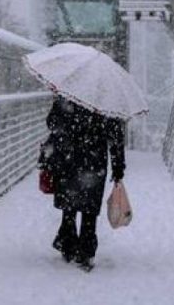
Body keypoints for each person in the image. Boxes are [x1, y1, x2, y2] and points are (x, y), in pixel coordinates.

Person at [39, 96, 126, 271]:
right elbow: (116, 136)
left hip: (69, 157)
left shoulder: (70, 94)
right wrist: (118, 167)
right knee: (89, 209)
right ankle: (86, 251)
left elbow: (52, 122)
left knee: (69, 205)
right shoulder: (107, 101)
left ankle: (68, 243)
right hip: (94, 162)